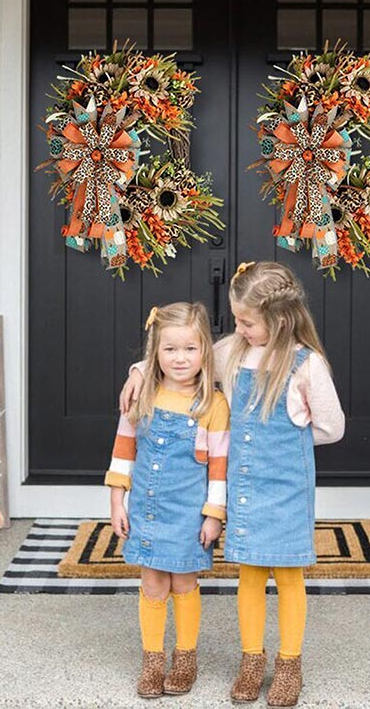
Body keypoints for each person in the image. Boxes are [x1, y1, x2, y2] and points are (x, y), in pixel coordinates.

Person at [121, 262, 345, 707]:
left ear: (279, 320)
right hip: (244, 487)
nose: (238, 328)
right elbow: (186, 359)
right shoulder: (234, 352)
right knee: (251, 573)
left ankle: (289, 664)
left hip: (286, 488)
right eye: (238, 320)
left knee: (288, 574)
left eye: (246, 321)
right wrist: (138, 370)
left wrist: (288, 441)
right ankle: (251, 660)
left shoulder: (307, 364)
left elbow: (332, 427)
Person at [106, 302, 230, 699]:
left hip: (189, 513)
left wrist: (214, 514)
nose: (180, 358)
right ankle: (153, 659)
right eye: (170, 349)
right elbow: (123, 451)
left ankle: (186, 656)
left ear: (205, 350)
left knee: (184, 582)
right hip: (147, 508)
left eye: (190, 349)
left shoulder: (213, 405)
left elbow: (219, 468)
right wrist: (117, 501)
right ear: (154, 352)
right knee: (153, 582)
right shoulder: (142, 396)